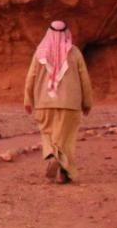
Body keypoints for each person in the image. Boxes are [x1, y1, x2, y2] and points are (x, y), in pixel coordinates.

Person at [23, 20, 93, 183]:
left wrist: (28, 99)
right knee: (66, 138)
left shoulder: (40, 52)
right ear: (67, 33)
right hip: (70, 104)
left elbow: (31, 77)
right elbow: (84, 79)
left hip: (44, 103)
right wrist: (87, 102)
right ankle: (63, 172)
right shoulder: (74, 52)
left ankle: (53, 155)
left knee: (48, 134)